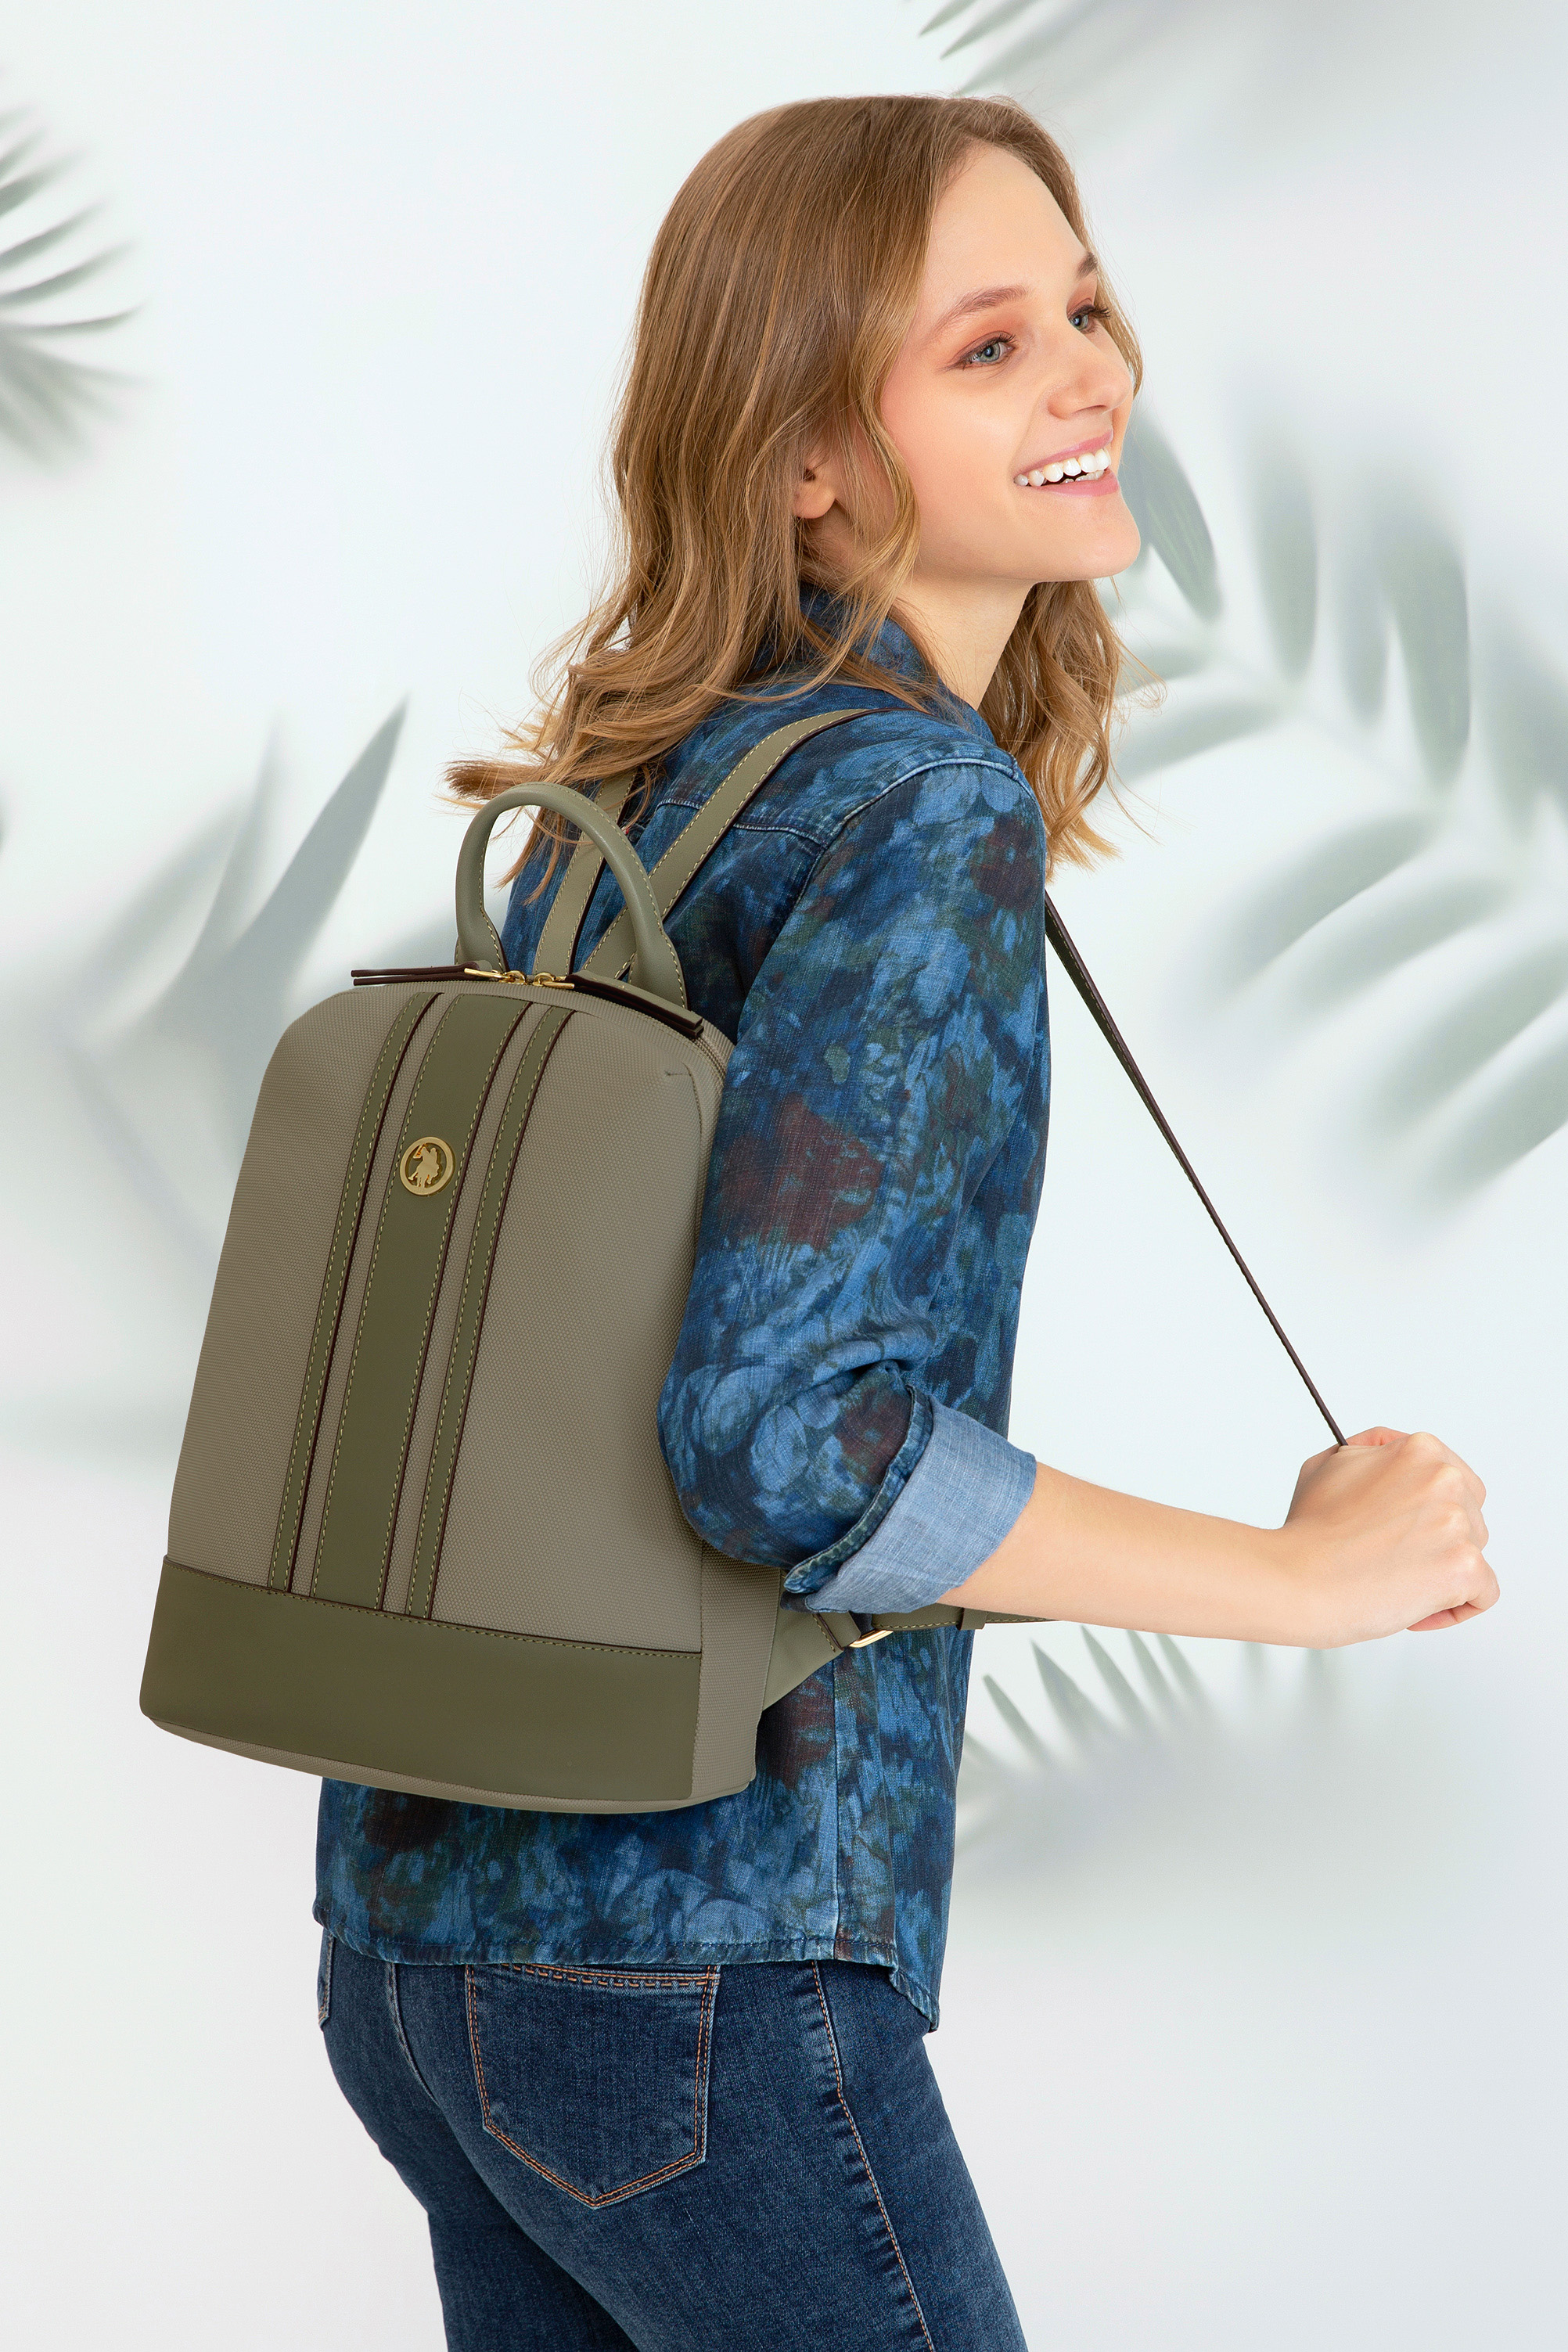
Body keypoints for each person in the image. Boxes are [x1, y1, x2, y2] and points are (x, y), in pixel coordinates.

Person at [314, 93, 1495, 2350]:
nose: (1088, 374)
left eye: (1085, 308)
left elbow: (665, 1426)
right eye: (986, 345)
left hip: (422, 1939)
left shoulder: (642, 785)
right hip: (689, 1961)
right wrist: (1299, 1580)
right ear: (800, 457)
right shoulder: (914, 813)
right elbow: (788, 1448)